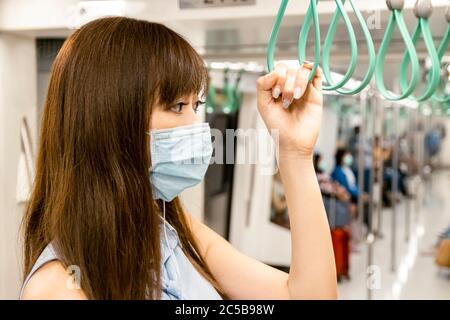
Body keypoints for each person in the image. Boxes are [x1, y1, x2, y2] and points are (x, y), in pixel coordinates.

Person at [20, 17, 337, 299]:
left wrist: (295, 153)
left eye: (195, 106)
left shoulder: (171, 231)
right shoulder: (57, 288)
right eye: (176, 106)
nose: (195, 126)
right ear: (110, 120)